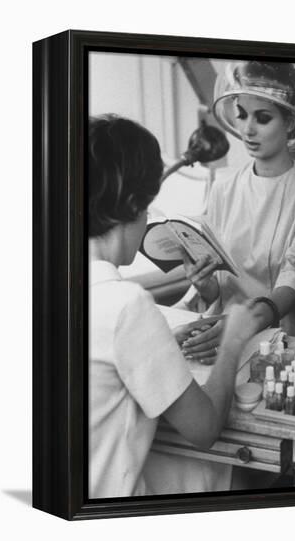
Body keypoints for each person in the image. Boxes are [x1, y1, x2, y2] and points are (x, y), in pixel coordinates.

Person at [89, 114, 262, 498]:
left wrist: (161, 339)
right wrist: (233, 340)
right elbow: (204, 430)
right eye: (148, 205)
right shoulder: (126, 304)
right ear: (134, 205)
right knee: (224, 472)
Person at [180, 61, 295, 364]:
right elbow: (218, 285)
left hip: (276, 344)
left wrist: (240, 326)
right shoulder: (224, 188)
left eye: (262, 118)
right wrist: (204, 284)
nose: (247, 129)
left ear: (290, 122)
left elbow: (292, 287)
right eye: (242, 114)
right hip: (219, 334)